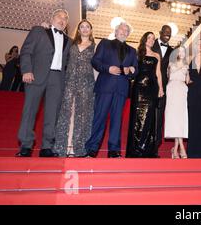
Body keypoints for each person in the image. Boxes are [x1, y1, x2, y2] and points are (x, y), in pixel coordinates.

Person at [16, 9, 72, 157]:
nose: (62, 20)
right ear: (51, 18)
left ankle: (47, 146)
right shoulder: (39, 31)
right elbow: (26, 51)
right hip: (35, 75)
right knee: (29, 111)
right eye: (59, 16)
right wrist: (26, 70)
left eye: (65, 18)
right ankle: (26, 145)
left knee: (52, 113)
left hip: (57, 78)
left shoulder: (69, 40)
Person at [84, 22, 138, 158]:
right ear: (116, 31)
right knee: (99, 118)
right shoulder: (105, 43)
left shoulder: (132, 51)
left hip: (121, 90)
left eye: (127, 31)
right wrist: (108, 68)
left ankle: (114, 150)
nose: (124, 32)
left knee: (117, 120)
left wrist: (129, 70)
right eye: (122, 29)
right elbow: (95, 61)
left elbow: (135, 70)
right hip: (105, 87)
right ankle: (91, 149)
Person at [53, 20, 95, 157]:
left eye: (87, 27)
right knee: (67, 113)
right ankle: (64, 146)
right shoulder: (70, 43)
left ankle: (77, 147)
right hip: (70, 82)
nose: (84, 29)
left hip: (87, 84)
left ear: (91, 30)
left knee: (82, 115)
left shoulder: (95, 46)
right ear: (78, 30)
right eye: (82, 27)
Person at [126, 32, 164, 158]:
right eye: (149, 38)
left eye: (153, 39)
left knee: (149, 118)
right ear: (144, 39)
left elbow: (158, 73)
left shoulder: (157, 55)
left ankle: (147, 149)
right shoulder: (137, 54)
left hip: (152, 88)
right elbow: (132, 69)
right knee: (137, 118)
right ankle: (135, 150)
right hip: (139, 88)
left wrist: (161, 88)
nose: (151, 40)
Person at [152, 25, 174, 157]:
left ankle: (155, 147)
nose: (167, 34)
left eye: (169, 33)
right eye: (165, 32)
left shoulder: (172, 51)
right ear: (160, 32)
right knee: (148, 116)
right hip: (149, 86)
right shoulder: (151, 45)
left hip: (164, 89)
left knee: (159, 118)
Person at [164, 46, 190, 159]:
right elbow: (169, 76)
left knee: (180, 119)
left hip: (182, 90)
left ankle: (175, 149)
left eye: (184, 51)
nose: (182, 53)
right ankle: (181, 148)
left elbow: (187, 80)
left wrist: (188, 73)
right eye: (180, 51)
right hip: (173, 89)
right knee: (174, 118)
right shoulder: (171, 63)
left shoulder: (187, 65)